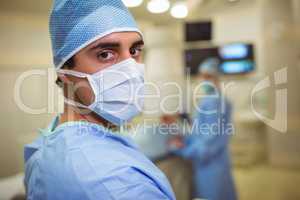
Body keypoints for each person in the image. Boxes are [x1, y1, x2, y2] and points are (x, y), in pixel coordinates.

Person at [24, 1, 175, 199]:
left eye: (134, 51)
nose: (130, 70)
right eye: (105, 54)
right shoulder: (114, 183)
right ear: (66, 74)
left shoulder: (55, 137)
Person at [169, 58, 237, 200]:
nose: (203, 80)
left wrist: (180, 148)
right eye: (202, 75)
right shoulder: (217, 100)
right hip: (218, 164)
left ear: (216, 77)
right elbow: (201, 129)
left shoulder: (213, 103)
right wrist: (181, 120)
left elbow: (207, 145)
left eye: (207, 76)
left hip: (211, 168)